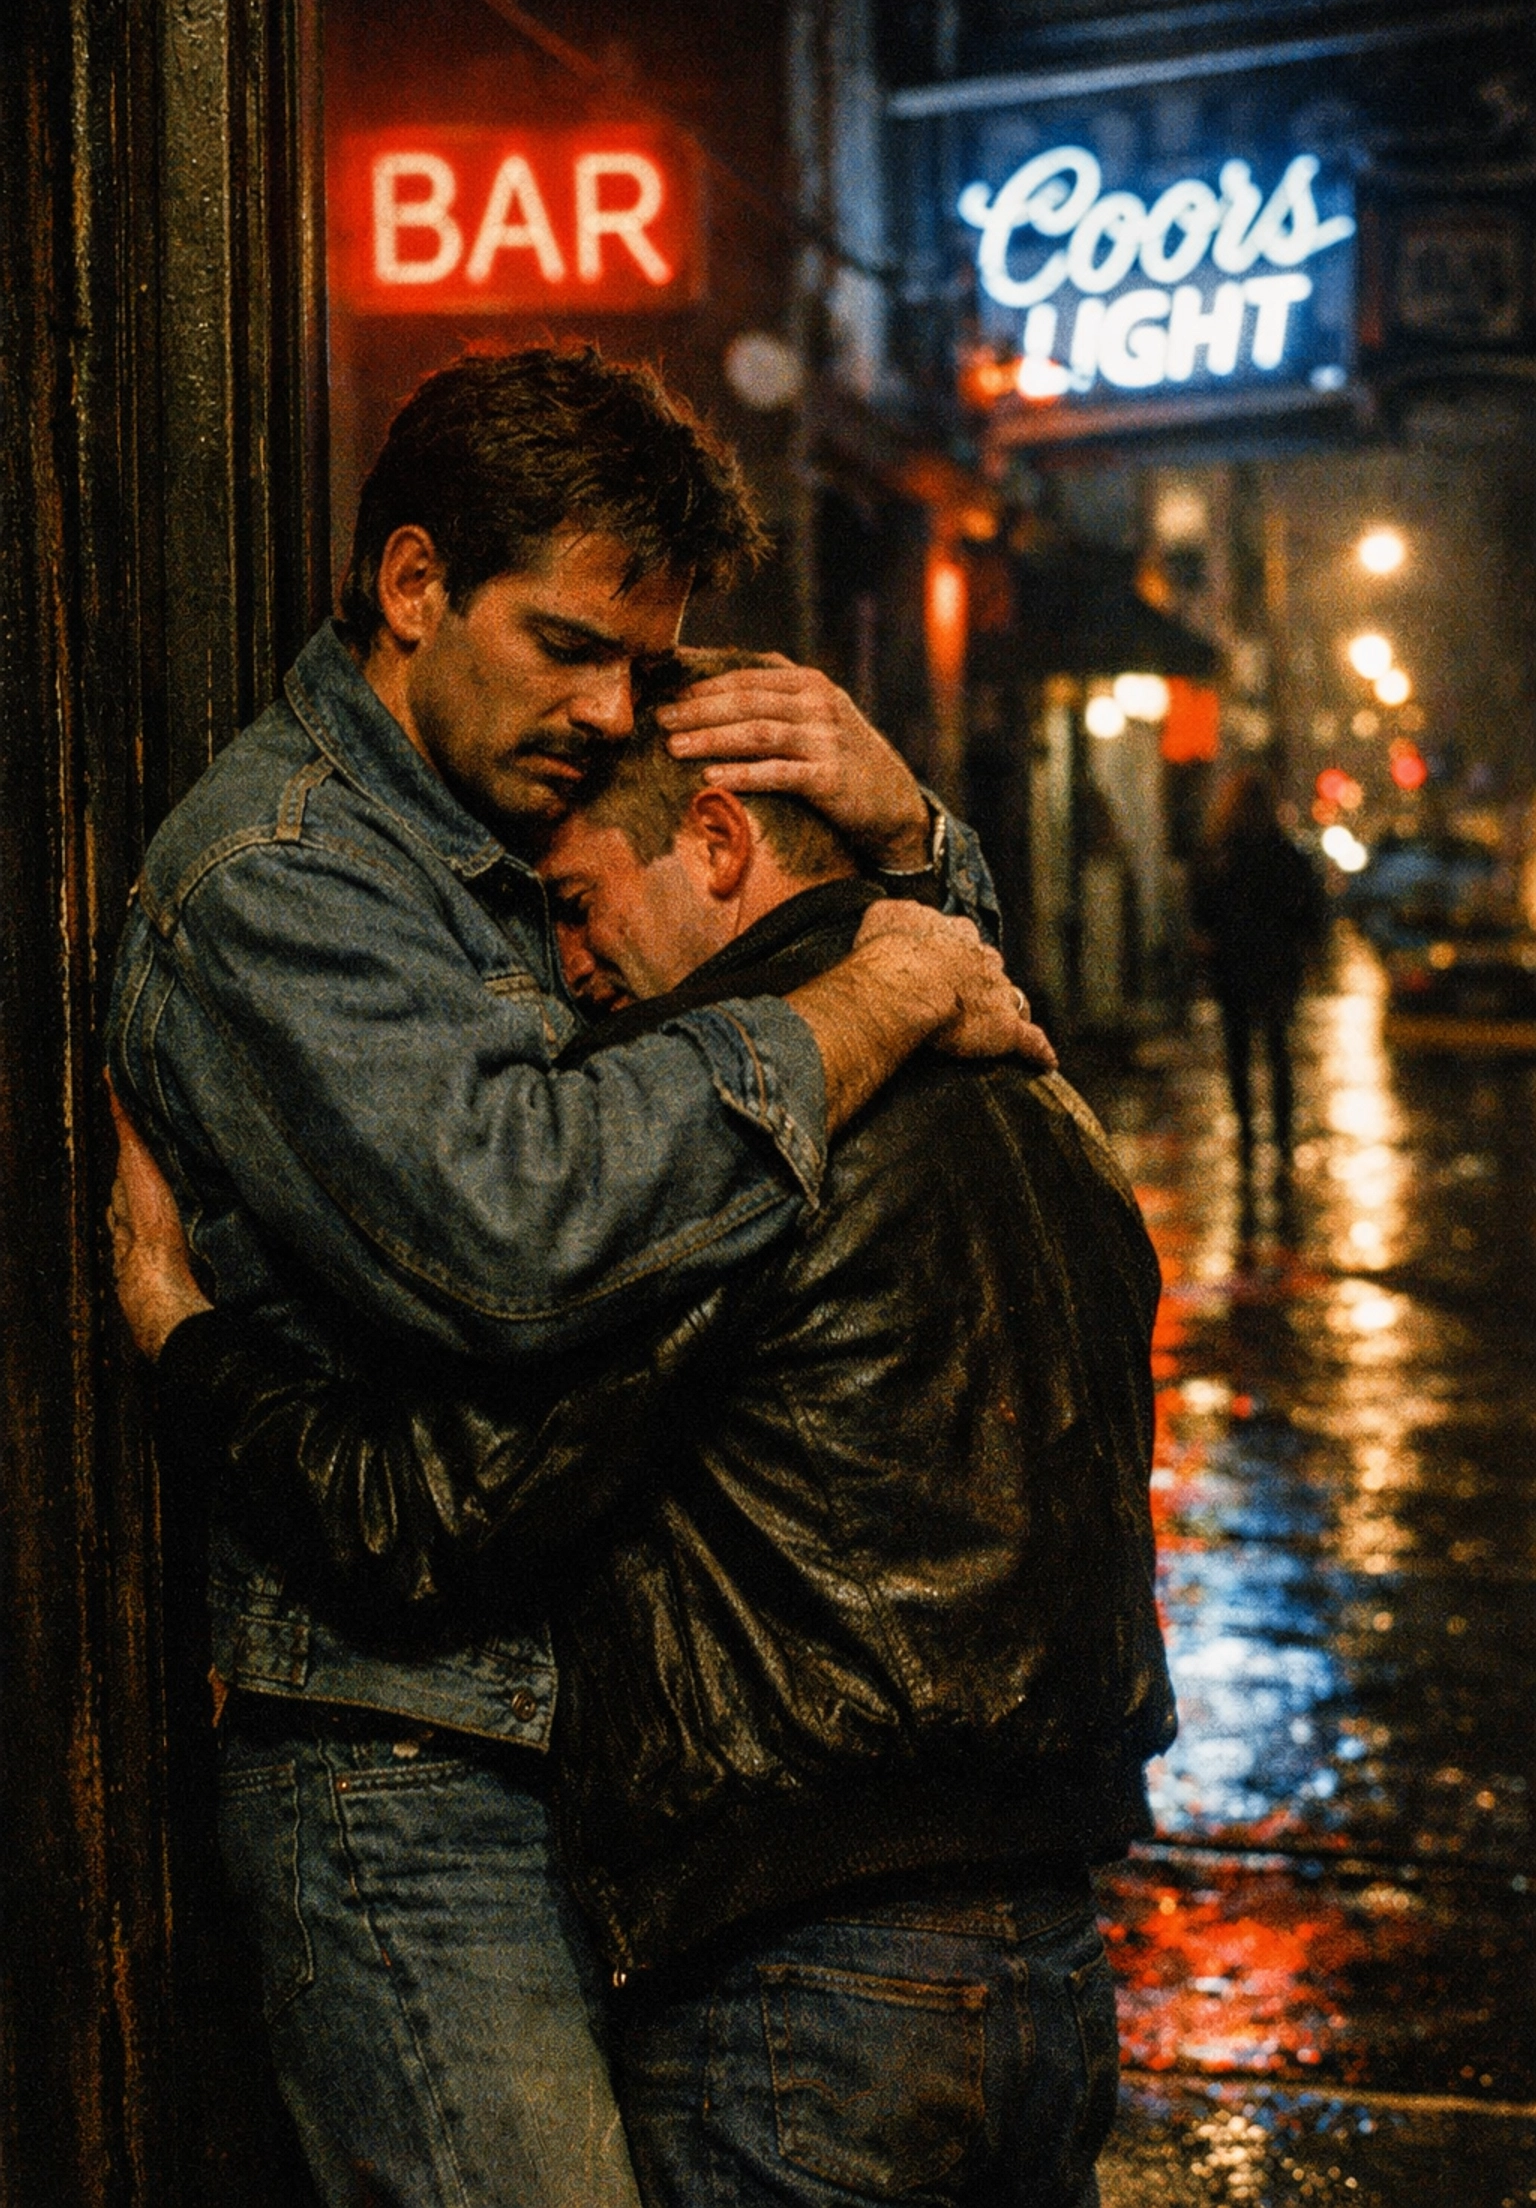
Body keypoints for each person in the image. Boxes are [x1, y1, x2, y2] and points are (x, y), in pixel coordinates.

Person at [106, 347, 1048, 2208]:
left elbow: (919, 1121)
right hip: (406, 1755)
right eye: (569, 646)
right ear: (411, 586)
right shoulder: (283, 875)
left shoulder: (533, 773)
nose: (615, 706)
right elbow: (524, 1238)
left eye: (645, 661)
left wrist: (906, 842)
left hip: (629, 1749)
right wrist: (877, 981)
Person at [1188, 768, 1326, 1176]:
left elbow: (1202, 911)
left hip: (1234, 965)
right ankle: (1281, 1140)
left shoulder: (1220, 853)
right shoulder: (1284, 853)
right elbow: (1308, 907)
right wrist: (1307, 951)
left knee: (1240, 1053)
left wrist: (1208, 947)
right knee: (1277, 1050)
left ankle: (1249, 1137)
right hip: (1276, 966)